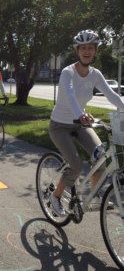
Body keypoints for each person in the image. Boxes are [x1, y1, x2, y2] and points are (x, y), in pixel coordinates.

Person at [49, 29, 124, 217]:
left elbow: (111, 95)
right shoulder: (68, 72)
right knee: (75, 164)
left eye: (91, 47)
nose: (87, 51)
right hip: (60, 125)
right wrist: (80, 114)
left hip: (80, 124)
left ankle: (94, 197)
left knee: (101, 156)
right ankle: (55, 196)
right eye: (83, 48)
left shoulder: (95, 74)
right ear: (77, 50)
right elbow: (70, 95)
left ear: (96, 50)